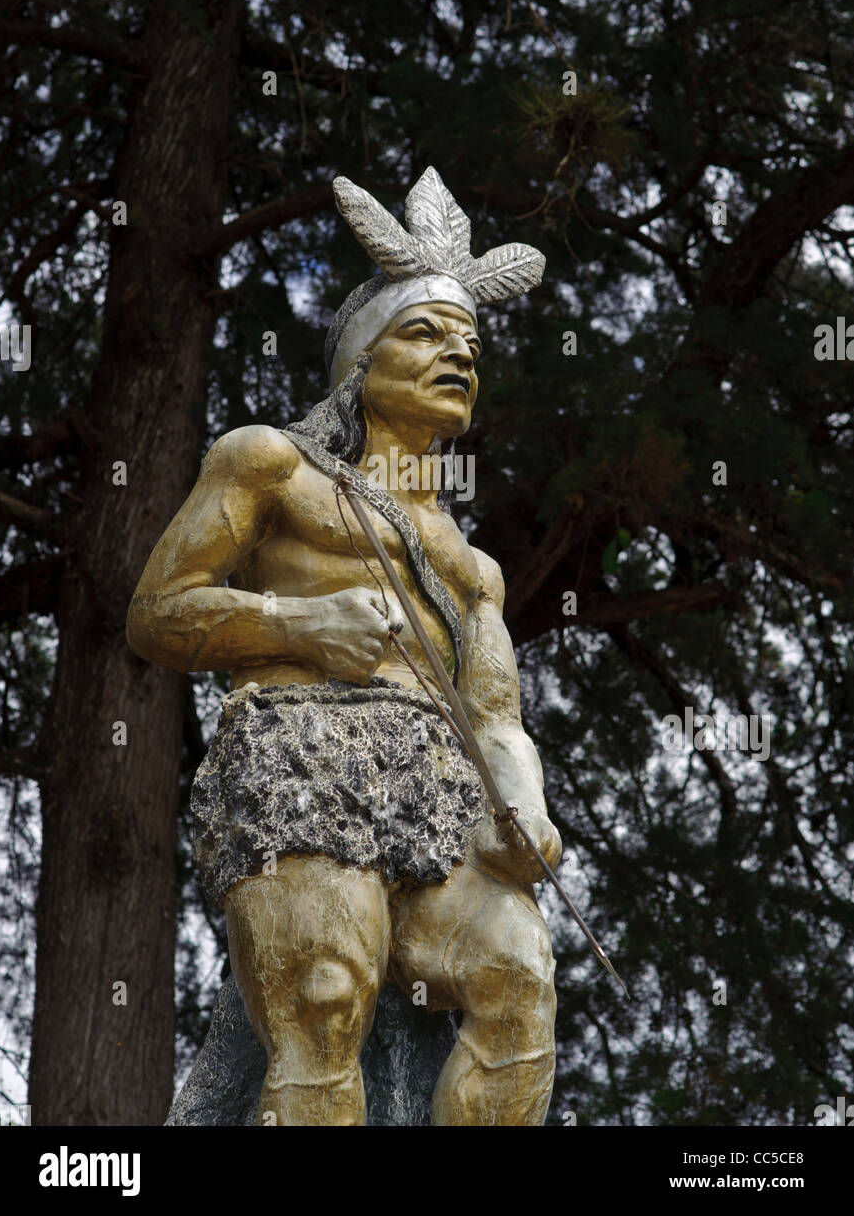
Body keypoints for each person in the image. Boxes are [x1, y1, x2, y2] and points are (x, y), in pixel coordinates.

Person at [127, 168, 562, 1125]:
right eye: (423, 333)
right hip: (297, 756)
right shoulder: (269, 464)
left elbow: (493, 711)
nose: (457, 356)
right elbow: (157, 612)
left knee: (521, 978)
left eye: (470, 346)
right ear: (358, 363)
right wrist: (295, 626)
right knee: (325, 992)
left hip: (438, 791)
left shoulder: (472, 566)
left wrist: (523, 803)